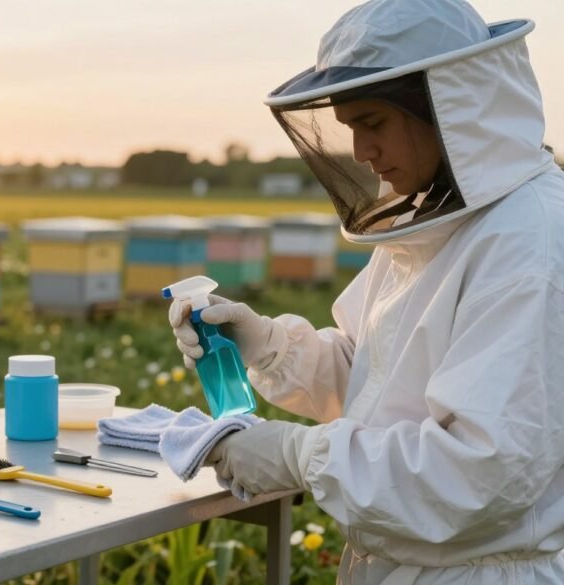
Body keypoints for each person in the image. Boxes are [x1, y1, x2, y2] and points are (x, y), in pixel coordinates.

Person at [168, 0, 564, 583]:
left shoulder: (530, 242)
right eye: (350, 127)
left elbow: (481, 473)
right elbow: (376, 381)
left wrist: (299, 456)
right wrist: (270, 345)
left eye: (372, 123)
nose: (359, 153)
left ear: (450, 106)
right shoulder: (437, 224)